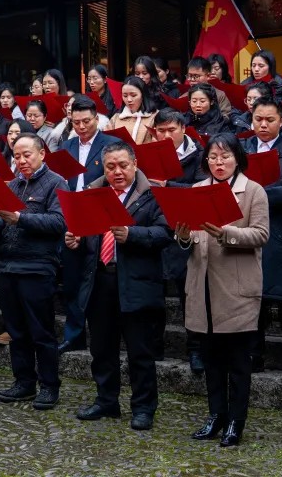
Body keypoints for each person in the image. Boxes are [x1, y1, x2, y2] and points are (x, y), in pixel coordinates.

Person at [65, 142, 171, 431]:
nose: (117, 172)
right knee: (101, 348)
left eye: (123, 165)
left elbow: (165, 233)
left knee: (140, 351)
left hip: (136, 282)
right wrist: (75, 241)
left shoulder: (151, 195)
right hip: (99, 280)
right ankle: (106, 400)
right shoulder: (93, 194)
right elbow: (86, 233)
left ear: (135, 163)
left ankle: (143, 407)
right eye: (111, 167)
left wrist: (132, 234)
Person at [176, 132, 270, 447]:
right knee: (212, 361)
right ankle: (215, 415)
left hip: (237, 287)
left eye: (225, 156)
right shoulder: (197, 189)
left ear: (237, 159)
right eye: (213, 157)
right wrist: (184, 236)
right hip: (202, 285)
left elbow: (261, 234)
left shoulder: (253, 191)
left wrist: (226, 232)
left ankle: (235, 421)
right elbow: (186, 241)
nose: (219, 163)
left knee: (239, 363)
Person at [0, 134, 68, 410]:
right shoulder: (14, 185)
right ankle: (24, 381)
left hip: (37, 267)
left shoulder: (56, 182)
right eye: (16, 156)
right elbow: (4, 226)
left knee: (41, 331)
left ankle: (49, 385)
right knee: (16, 330)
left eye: (27, 154)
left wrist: (20, 218)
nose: (21, 161)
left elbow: (59, 221)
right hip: (8, 266)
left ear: (42, 154)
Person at [242, 98, 282, 384]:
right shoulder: (242, 149)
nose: (263, 125)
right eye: (258, 119)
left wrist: (259, 195)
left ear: (281, 121)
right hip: (249, 233)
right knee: (253, 300)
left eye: (270, 120)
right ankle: (254, 354)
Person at [58, 96, 122, 353]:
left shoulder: (112, 144)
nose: (82, 126)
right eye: (76, 122)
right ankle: (73, 335)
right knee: (72, 279)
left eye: (86, 121)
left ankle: (102, 336)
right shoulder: (68, 145)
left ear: (97, 119)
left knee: (96, 279)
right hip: (72, 215)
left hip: (101, 216)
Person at [150, 108, 205, 373]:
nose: (166, 135)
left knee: (190, 295)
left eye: (171, 130)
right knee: (154, 294)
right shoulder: (148, 155)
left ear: (183, 129)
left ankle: (196, 349)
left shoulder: (199, 156)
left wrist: (168, 187)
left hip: (186, 232)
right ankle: (155, 345)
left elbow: (202, 191)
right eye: (161, 131)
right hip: (157, 229)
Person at [108, 76, 157, 144]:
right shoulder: (116, 117)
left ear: (143, 95)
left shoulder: (155, 117)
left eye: (133, 95)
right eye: (125, 96)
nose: (129, 100)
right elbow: (106, 140)